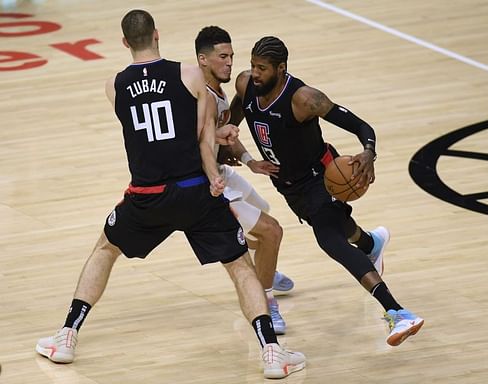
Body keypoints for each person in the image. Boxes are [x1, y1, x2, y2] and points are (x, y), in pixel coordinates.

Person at [35, 13, 305, 379]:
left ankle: (66, 336)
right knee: (240, 266)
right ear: (157, 35)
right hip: (196, 191)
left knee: (105, 250)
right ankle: (272, 353)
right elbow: (203, 135)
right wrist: (214, 176)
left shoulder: (114, 85)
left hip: (146, 195)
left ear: (126, 43)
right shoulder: (191, 75)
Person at [228, 35, 424, 347]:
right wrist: (227, 135)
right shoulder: (245, 84)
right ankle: (371, 242)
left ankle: (397, 311)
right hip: (288, 185)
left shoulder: (304, 99)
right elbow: (238, 113)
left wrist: (368, 152)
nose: (255, 73)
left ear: (281, 69)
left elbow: (362, 126)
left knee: (330, 239)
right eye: (252, 65)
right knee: (338, 228)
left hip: (320, 178)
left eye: (262, 68)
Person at [195, 26, 295, 334]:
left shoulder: (219, 89)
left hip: (223, 173)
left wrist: (251, 162)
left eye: (231, 56)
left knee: (264, 213)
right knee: (271, 233)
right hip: (207, 183)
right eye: (222, 57)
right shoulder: (199, 97)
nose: (229, 63)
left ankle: (263, 269)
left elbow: (224, 135)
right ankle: (266, 303)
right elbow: (197, 144)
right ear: (203, 60)